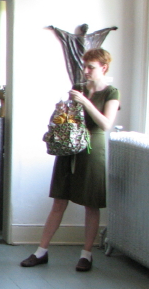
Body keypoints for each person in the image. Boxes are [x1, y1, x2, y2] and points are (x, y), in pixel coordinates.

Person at [20, 48, 120, 272]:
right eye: (84, 66)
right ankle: (41, 251)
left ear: (103, 67)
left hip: (93, 148)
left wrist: (85, 102)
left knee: (91, 203)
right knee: (59, 199)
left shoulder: (111, 92)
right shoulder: (78, 88)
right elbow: (70, 119)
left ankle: (86, 255)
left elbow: (106, 124)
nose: (86, 71)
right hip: (69, 146)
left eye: (91, 67)